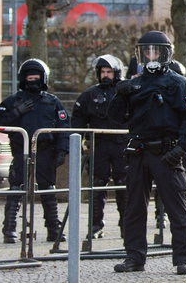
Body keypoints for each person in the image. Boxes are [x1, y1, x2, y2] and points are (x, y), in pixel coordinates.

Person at [108, 31, 186, 275]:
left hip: (167, 152)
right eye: (146, 51)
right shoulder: (135, 83)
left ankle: (182, 259)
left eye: (155, 51)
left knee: (176, 208)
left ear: (165, 53)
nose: (151, 55)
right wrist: (120, 94)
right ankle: (134, 257)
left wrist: (180, 148)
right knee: (134, 209)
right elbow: (117, 117)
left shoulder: (178, 83)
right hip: (138, 151)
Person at [0, 59, 70, 244]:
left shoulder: (53, 102)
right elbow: (0, 123)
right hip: (21, 151)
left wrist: (62, 150)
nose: (33, 80)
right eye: (30, 77)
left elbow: (64, 127)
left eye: (36, 77)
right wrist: (16, 112)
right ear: (23, 78)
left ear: (43, 78)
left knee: (48, 191)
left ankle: (54, 229)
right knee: (16, 189)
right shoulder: (13, 101)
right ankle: (9, 229)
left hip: (45, 152)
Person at [71, 54, 128, 239]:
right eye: (103, 72)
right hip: (99, 146)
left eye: (109, 72)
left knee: (124, 185)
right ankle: (95, 225)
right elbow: (78, 120)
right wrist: (77, 143)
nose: (105, 75)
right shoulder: (89, 95)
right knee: (97, 185)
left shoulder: (126, 93)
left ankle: (126, 225)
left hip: (122, 146)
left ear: (116, 73)